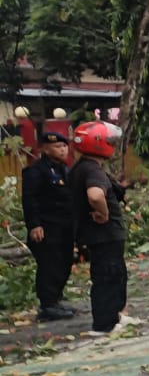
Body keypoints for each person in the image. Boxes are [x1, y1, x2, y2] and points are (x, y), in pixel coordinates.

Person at [67, 121, 129, 337]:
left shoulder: (82, 167)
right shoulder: (91, 170)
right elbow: (95, 195)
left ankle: (114, 316)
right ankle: (105, 324)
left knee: (112, 274)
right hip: (104, 234)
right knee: (108, 276)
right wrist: (103, 213)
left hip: (101, 235)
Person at [21, 130, 78, 321]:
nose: (62, 150)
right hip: (46, 228)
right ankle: (47, 306)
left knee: (64, 263)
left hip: (64, 227)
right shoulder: (36, 171)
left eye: (64, 146)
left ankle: (55, 300)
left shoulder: (65, 170)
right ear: (45, 149)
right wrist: (34, 225)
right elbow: (30, 200)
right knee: (49, 265)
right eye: (57, 147)